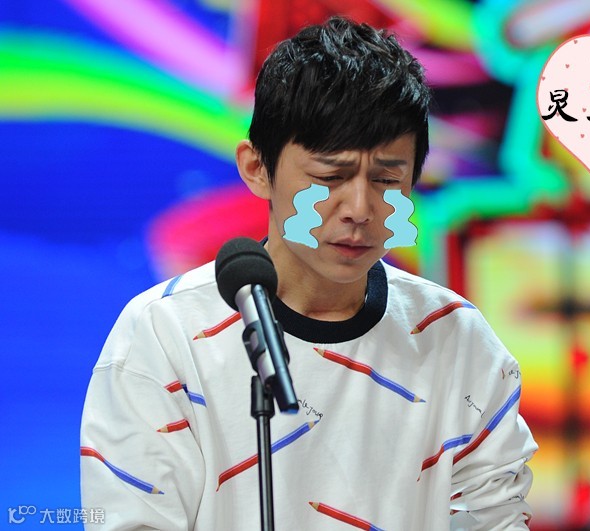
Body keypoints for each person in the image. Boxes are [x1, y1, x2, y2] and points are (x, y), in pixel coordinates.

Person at [80, 16, 537, 530]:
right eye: (330, 176)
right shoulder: (165, 335)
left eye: (387, 179)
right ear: (257, 168)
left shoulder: (455, 337)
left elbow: (496, 517)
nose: (360, 209)